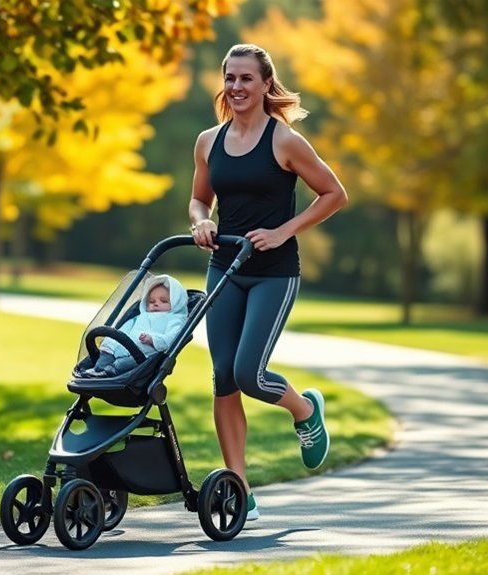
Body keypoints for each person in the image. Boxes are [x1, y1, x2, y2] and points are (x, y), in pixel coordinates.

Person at [188, 43, 349, 521]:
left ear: (264, 85)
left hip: (273, 275)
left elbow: (334, 194)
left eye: (246, 79)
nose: (236, 87)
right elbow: (199, 200)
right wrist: (201, 221)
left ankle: (305, 410)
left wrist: (283, 231)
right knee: (222, 380)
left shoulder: (284, 141)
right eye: (230, 78)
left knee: (249, 374)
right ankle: (239, 487)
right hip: (225, 269)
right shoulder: (207, 142)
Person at [90, 274, 189, 377]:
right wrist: (113, 338)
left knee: (124, 363)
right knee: (109, 347)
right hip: (125, 344)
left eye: (163, 301)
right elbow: (126, 328)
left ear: (176, 303)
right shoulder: (141, 316)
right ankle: (98, 369)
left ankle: (109, 371)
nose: (155, 304)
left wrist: (153, 339)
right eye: (151, 301)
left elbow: (173, 338)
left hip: (144, 353)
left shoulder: (175, 319)